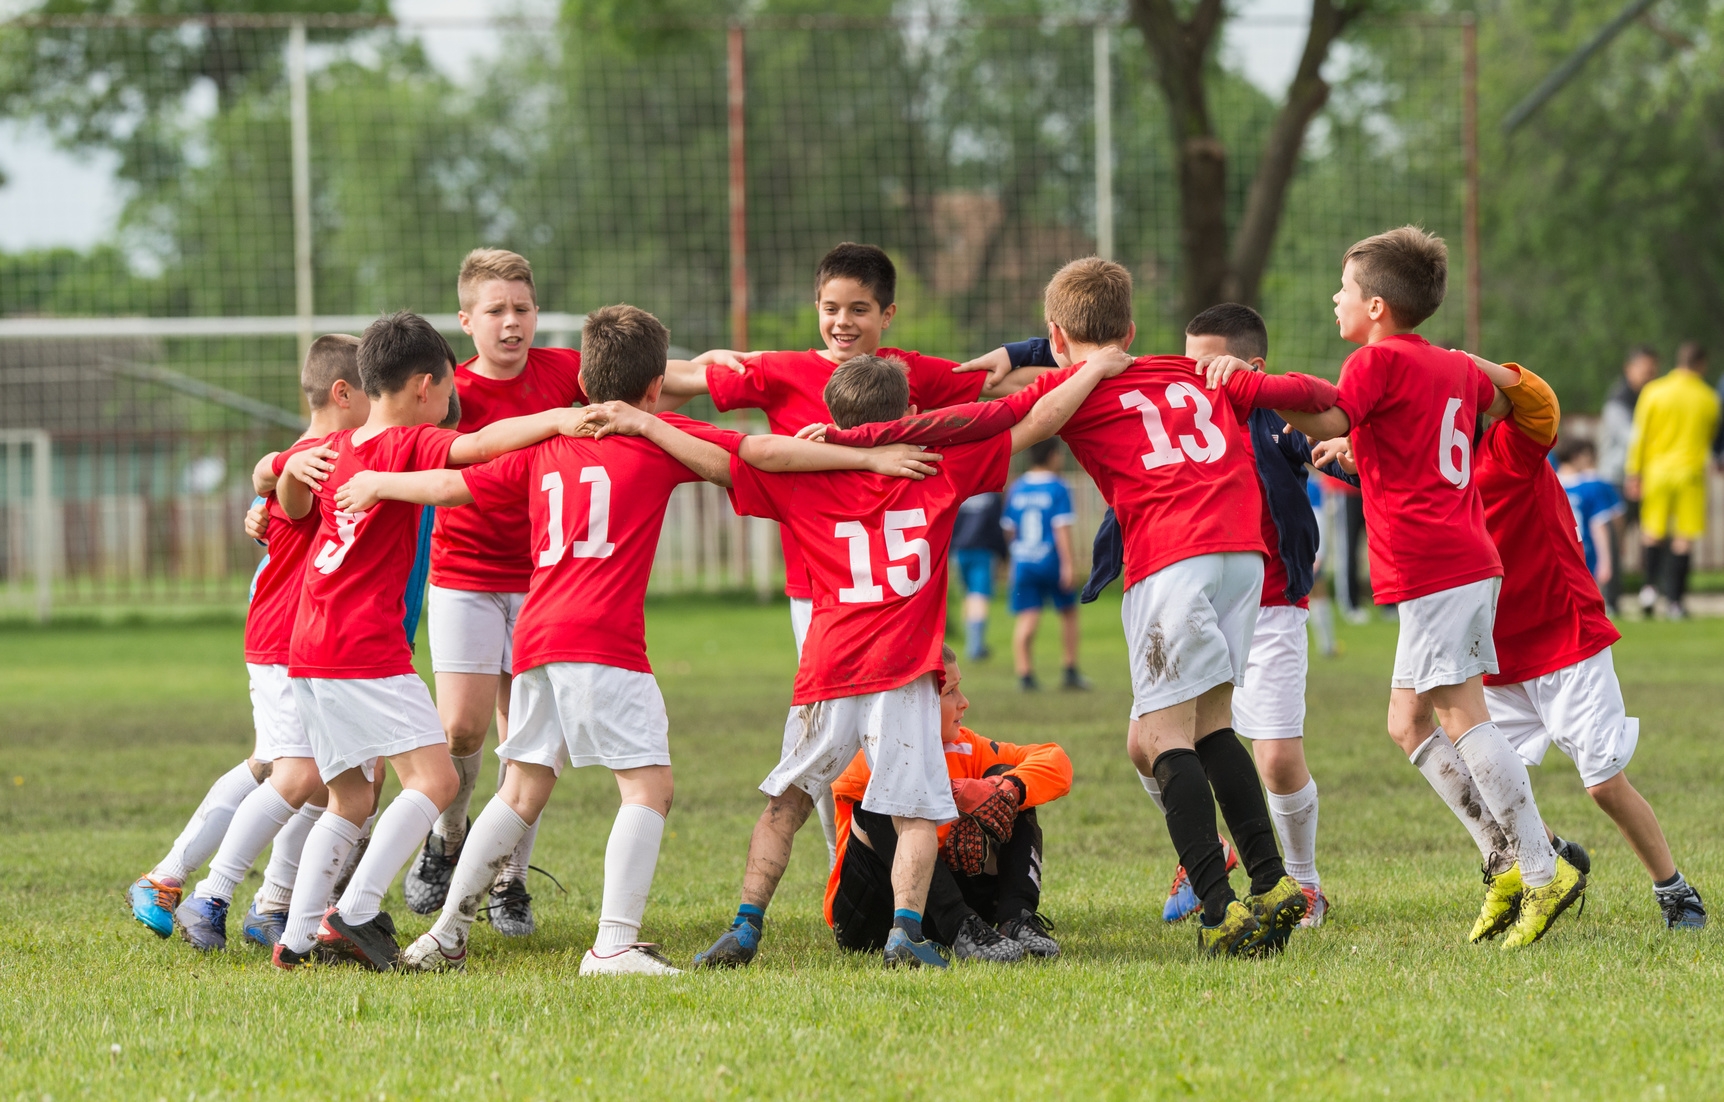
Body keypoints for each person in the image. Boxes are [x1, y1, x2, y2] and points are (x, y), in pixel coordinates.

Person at [330, 306, 939, 975]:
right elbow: (756, 453)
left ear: (584, 380)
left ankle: (446, 934)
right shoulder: (656, 436)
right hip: (601, 638)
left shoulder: (546, 444)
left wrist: (380, 483)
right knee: (648, 787)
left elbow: (452, 486)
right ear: (654, 388)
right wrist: (866, 453)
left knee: (521, 789)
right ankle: (614, 943)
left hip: (537, 635)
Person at [838, 260, 1343, 956]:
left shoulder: (1071, 386)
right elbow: (1325, 405)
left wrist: (851, 441)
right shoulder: (1186, 368)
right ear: (1131, 329)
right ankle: (1274, 882)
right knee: (1214, 726)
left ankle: (1220, 910)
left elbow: (990, 420)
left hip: (1172, 554)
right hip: (1244, 554)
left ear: (1055, 335)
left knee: (1165, 737)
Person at [685, 347, 1133, 970]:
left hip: (829, 667)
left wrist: (642, 421)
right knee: (916, 808)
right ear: (912, 410)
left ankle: (745, 925)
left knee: (785, 802)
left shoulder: (801, 471)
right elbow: (1035, 420)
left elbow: (721, 459)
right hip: (902, 669)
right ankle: (904, 934)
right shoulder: (937, 464)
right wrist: (1093, 369)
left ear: (831, 415)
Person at [655, 243, 1041, 867]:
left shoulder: (911, 373)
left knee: (896, 744)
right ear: (815, 307)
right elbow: (677, 380)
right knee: (837, 750)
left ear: (887, 314)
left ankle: (902, 871)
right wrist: (624, 393)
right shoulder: (779, 370)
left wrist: (1040, 353)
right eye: (831, 308)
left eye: (859, 309)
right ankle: (850, 871)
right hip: (819, 593)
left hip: (897, 599)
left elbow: (1006, 387)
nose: (843, 323)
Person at [1281, 225, 1584, 949]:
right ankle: (1503, 858)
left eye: (1344, 289)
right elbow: (1446, 425)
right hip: (1445, 563)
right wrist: (1366, 455)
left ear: (1377, 306)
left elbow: (1327, 409)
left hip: (1440, 564)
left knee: (1460, 714)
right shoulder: (1450, 368)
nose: (1335, 298)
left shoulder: (1373, 364)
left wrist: (1254, 387)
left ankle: (1544, 871)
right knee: (1406, 723)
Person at [268, 311, 599, 971]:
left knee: (352, 799)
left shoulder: (334, 451)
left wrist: (277, 482)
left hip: (309, 648)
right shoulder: (406, 443)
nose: (454, 406)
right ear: (426, 386)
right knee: (439, 778)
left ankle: (297, 939)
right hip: (363, 647)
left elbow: (287, 496)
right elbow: (479, 451)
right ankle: (355, 912)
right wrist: (559, 421)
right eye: (450, 392)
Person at [124, 337, 368, 943]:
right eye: (375, 388)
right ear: (344, 394)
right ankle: (209, 894)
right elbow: (280, 484)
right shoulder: (318, 458)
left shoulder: (313, 456)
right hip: (290, 640)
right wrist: (273, 469)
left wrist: (269, 472)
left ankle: (196, 883)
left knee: (290, 765)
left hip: (316, 638)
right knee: (299, 773)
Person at [1467, 357, 1705, 930]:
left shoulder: (1508, 446)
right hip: (1498, 653)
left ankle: (1674, 890)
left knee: (1602, 785)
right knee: (1486, 776)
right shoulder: (1440, 466)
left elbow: (1539, 401)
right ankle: (1551, 855)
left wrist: (1461, 366)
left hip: (1562, 637)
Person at [1146, 303, 1350, 929]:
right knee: (1149, 745)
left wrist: (1345, 447)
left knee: (1277, 759)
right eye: (1190, 361)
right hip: (1195, 603)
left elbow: (1338, 415)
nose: (1196, 375)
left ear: (1251, 368)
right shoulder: (1175, 418)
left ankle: (1304, 882)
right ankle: (1202, 852)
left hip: (1271, 605)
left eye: (1210, 363)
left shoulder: (1277, 419)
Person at [405, 248, 586, 937]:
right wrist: (273, 480)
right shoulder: (446, 394)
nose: (512, 324)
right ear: (466, 320)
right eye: (496, 311)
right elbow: (367, 440)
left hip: (545, 581)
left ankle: (510, 881)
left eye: (522, 309)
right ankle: (449, 838)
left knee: (530, 740)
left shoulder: (567, 372)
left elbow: (663, 378)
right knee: (462, 729)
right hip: (465, 577)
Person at [824, 646, 1071, 962]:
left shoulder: (967, 745)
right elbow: (851, 779)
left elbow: (1055, 760)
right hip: (870, 915)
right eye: (950, 692)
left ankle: (1016, 919)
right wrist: (958, 800)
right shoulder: (870, 747)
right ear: (912, 703)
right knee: (880, 800)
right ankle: (959, 927)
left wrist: (1007, 789)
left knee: (1008, 782)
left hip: (950, 901)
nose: (964, 702)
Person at [1625, 341, 1719, 620]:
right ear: (1701, 364)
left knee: (1652, 532)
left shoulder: (1655, 391)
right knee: (1683, 538)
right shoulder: (1708, 397)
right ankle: (1676, 601)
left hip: (1657, 472)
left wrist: (1634, 472)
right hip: (1690, 473)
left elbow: (1640, 436)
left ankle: (1649, 590)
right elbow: (1710, 436)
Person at [1002, 439, 1086, 692]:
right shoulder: (1058, 487)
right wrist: (1069, 564)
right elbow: (1061, 528)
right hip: (1051, 561)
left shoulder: (1017, 487)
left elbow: (1009, 529)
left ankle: (1025, 673)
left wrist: (1015, 557)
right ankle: (1070, 669)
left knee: (1027, 619)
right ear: (1052, 455)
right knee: (1068, 613)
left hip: (1024, 562)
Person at [1595, 346, 1658, 612]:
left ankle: (1651, 595)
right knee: (1613, 542)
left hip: (1644, 476)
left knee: (1652, 539)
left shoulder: (1650, 397)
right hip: (1616, 480)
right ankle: (1611, 600)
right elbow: (1632, 439)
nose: (1650, 376)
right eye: (1646, 371)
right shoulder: (1619, 400)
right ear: (1629, 369)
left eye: (1653, 371)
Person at [1556, 438, 1623, 600]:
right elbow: (1599, 525)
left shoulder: (1548, 481)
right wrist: (1606, 561)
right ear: (1576, 456)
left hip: (1558, 554)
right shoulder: (1592, 486)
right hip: (1585, 553)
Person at [950, 492, 1007, 661]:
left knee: (968, 596)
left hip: (958, 551)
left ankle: (971, 642)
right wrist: (1004, 553)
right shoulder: (992, 496)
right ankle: (975, 646)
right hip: (982, 551)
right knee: (979, 597)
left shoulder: (960, 490)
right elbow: (998, 527)